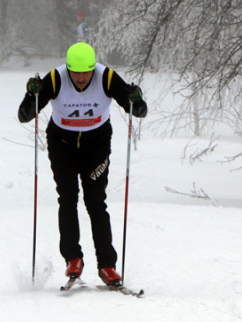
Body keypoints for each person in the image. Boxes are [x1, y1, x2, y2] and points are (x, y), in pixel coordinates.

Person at [17, 42, 147, 287]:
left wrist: (137, 100)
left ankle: (107, 265)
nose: (80, 78)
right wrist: (31, 96)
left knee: (95, 202)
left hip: (96, 144)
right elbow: (25, 115)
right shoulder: (56, 78)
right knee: (67, 198)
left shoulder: (106, 77)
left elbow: (139, 111)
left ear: (92, 69)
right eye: (74, 72)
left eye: (85, 72)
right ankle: (73, 259)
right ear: (68, 69)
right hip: (62, 143)